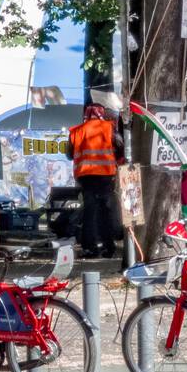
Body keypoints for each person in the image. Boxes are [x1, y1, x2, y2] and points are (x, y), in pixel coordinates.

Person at [66, 104, 125, 259]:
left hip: (85, 177)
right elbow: (120, 146)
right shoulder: (109, 128)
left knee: (89, 212)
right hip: (105, 175)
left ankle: (90, 248)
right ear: (102, 113)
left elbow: (69, 154)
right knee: (106, 211)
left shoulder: (76, 131)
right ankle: (108, 247)